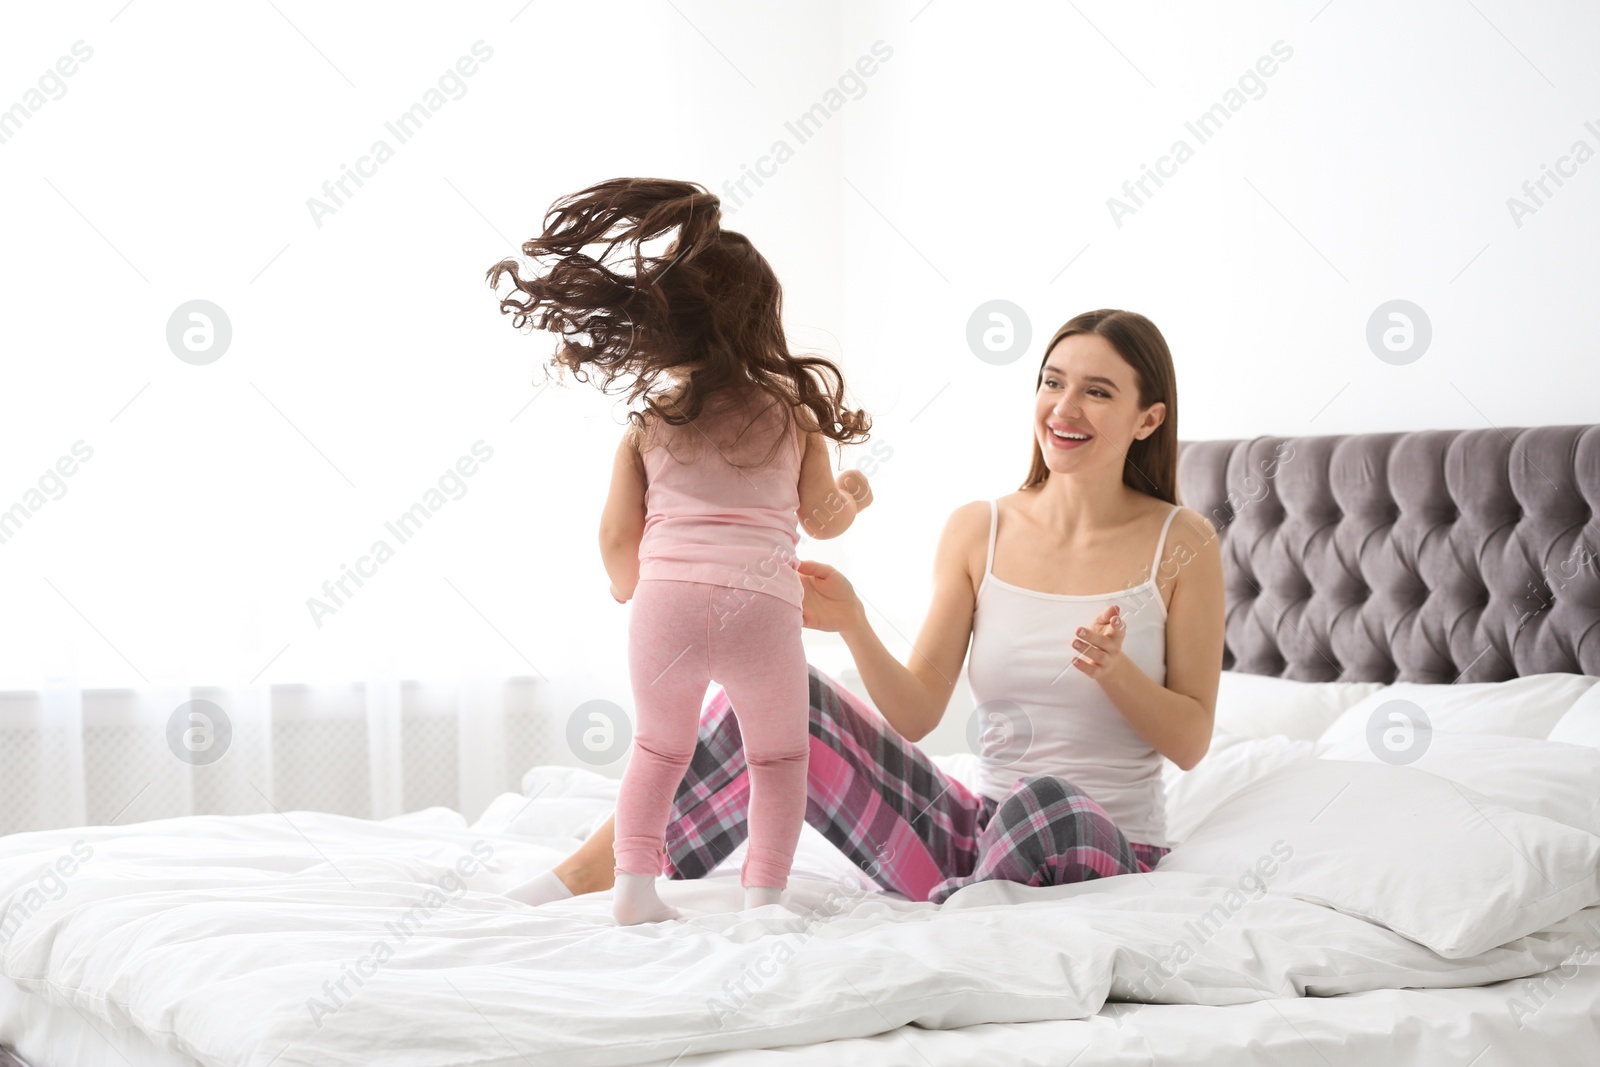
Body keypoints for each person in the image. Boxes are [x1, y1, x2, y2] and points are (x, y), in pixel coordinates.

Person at [507, 307, 1224, 908]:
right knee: (796, 705)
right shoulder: (981, 528)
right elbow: (915, 712)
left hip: (1105, 843)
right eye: (1052, 382)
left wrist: (1115, 671)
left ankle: (973, 908)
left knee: (1047, 803)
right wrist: (853, 621)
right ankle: (589, 874)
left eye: (1097, 392)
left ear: (1147, 417)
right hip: (972, 837)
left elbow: (1192, 741)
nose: (1063, 409)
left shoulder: (1182, 542)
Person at [486, 178, 875, 923]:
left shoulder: (650, 419)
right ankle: (763, 895)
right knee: (778, 757)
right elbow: (821, 518)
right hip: (760, 604)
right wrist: (854, 495)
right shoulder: (792, 413)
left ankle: (633, 889)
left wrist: (630, 585)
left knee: (659, 750)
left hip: (664, 603)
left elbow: (613, 533)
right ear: (763, 320)